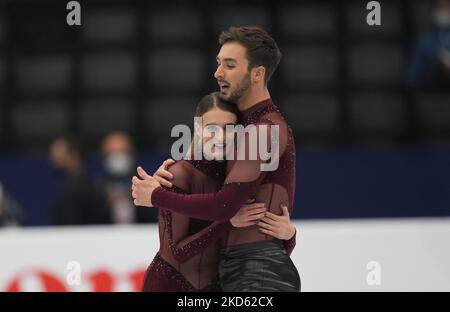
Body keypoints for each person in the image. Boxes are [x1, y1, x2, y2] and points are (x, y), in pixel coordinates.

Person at [133, 26, 300, 292]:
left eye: (230, 65)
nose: (218, 72)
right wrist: (173, 172)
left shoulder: (264, 128)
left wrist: (155, 196)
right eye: (219, 63)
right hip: (235, 271)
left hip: (257, 273)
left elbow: (225, 207)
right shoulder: (243, 125)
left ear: (258, 74)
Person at [140, 92, 292, 291]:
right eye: (211, 128)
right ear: (198, 128)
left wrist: (288, 235)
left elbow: (261, 253)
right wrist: (228, 222)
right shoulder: (178, 174)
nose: (219, 137)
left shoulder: (240, 180)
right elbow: (178, 252)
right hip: (170, 285)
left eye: (228, 129)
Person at [49, 135, 109, 225]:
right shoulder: (89, 184)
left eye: (58, 151)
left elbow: (69, 226)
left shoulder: (73, 188)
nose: (53, 156)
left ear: (74, 155)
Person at [99, 131, 156, 224]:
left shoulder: (144, 180)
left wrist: (136, 199)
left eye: (122, 152)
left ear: (131, 154)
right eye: (112, 153)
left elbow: (155, 215)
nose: (117, 157)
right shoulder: (95, 184)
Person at [408, 0, 450, 88]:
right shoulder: (424, 38)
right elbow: (412, 77)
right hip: (431, 93)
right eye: (440, 6)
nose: (444, 10)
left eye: (447, 6)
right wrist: (435, 67)